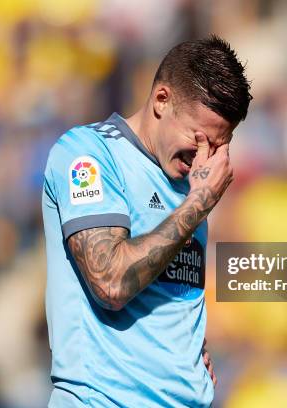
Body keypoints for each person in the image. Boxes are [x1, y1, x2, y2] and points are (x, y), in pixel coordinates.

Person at [42, 35, 252, 407]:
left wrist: (186, 356)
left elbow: (168, 295)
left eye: (220, 145)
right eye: (199, 137)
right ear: (161, 100)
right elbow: (111, 283)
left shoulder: (188, 185)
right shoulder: (88, 154)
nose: (206, 156)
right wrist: (198, 204)